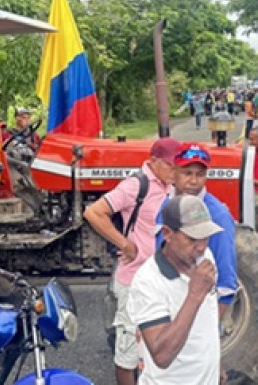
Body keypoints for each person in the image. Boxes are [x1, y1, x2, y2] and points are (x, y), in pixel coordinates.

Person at [82, 137, 179, 385]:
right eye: (170, 165)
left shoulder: (169, 185)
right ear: (154, 161)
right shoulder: (136, 185)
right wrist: (125, 244)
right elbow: (94, 212)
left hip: (162, 279)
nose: (174, 170)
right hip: (134, 281)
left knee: (158, 347)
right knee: (128, 351)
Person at [128, 194, 225, 384]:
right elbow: (162, 355)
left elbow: (207, 321)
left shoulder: (206, 257)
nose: (201, 247)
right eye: (192, 239)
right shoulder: (148, 281)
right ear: (167, 234)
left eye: (205, 237)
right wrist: (195, 295)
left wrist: (216, 363)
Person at [157, 143, 238, 318]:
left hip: (198, 310)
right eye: (187, 173)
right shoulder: (166, 205)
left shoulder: (217, 216)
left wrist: (209, 328)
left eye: (200, 175)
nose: (194, 181)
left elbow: (226, 282)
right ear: (173, 173)